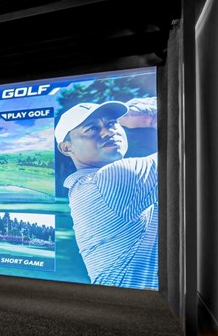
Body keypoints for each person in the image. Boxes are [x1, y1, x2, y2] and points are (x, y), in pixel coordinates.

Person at [55, 97, 158, 289]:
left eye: (111, 123)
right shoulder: (109, 179)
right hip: (141, 311)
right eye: (92, 128)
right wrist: (152, 117)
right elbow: (191, 146)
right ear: (67, 147)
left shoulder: (86, 185)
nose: (108, 131)